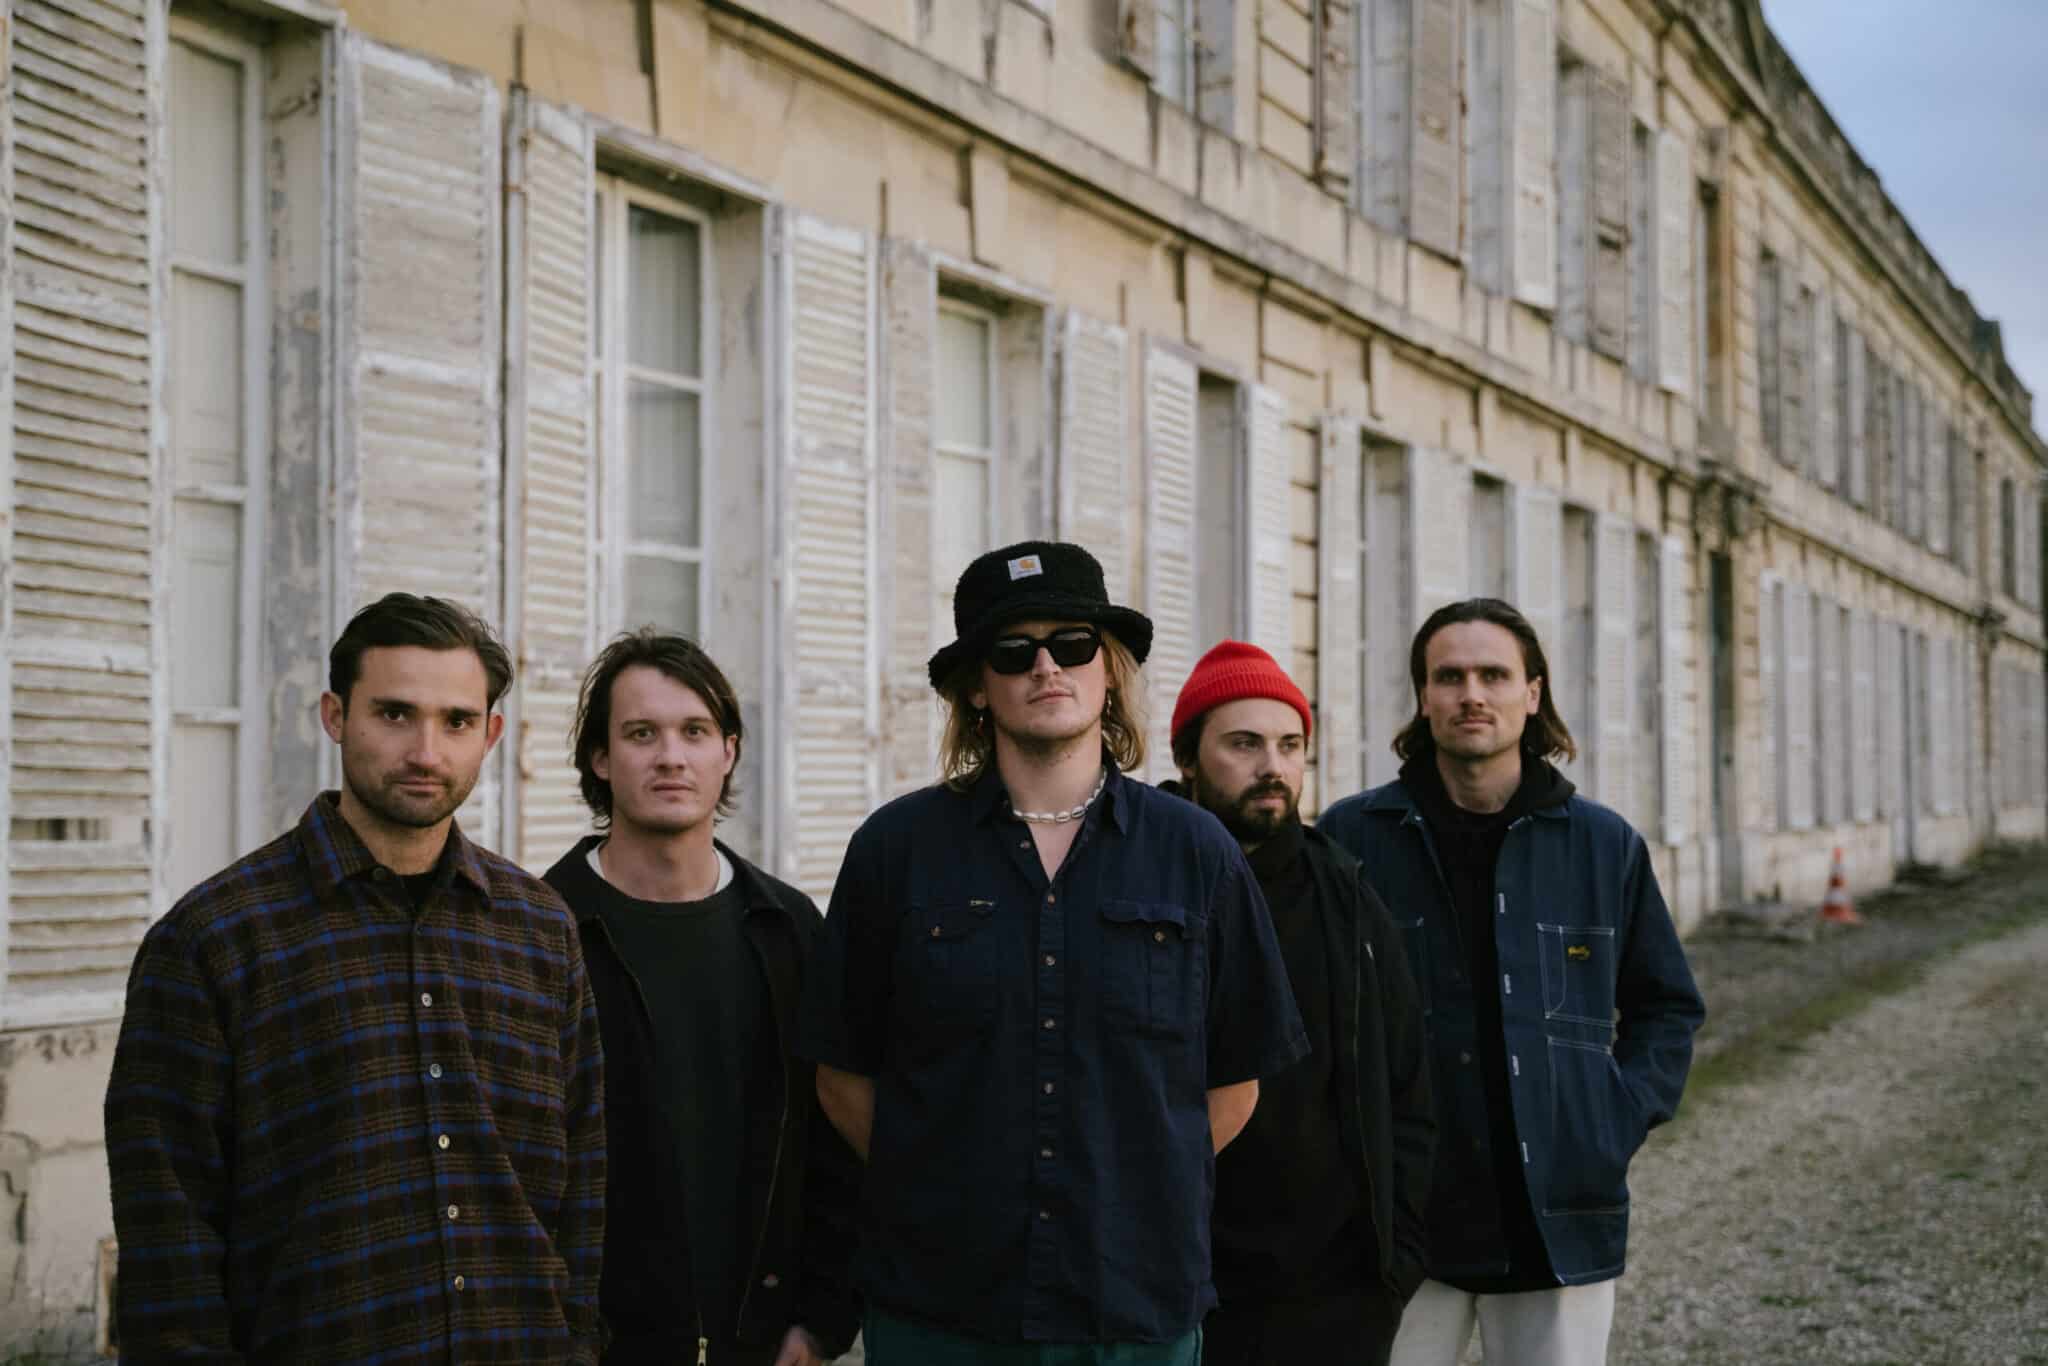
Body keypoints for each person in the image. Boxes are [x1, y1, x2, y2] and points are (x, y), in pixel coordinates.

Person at [800, 541, 1307, 1365]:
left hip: (1134, 1304)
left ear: (1107, 672)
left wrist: (1126, 1181)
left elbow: (1236, 1079)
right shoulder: (896, 850)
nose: (1046, 667)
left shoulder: (1196, 852)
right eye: (1013, 651)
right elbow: (842, 1075)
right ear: (976, 683)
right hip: (941, 1305)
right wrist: (944, 1180)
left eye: (1072, 646)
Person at [105, 593, 605, 1363]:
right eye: (395, 713)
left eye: (457, 722)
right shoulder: (215, 941)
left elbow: (582, 1180)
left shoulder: (540, 930)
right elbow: (167, 1231)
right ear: (336, 716)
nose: (427, 752)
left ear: (492, 734)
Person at [1319, 598, 1705, 1366]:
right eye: (1450, 676)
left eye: (1494, 675)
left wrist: (1610, 1120)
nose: (1472, 694)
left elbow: (1667, 1007)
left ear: (1533, 694)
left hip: (1556, 1215)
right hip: (1400, 1223)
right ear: (1423, 697)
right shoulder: (1351, 839)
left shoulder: (1602, 845)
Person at [542, 630, 859, 1365]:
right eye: (640, 733)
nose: (670, 757)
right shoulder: (538, 928)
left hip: (767, 1342)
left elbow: (836, 1144)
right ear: (600, 758)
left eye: (694, 731)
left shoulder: (788, 929)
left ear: (729, 751)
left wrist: (821, 1320)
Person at [1164, 641, 1434, 1366]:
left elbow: (1408, 1081)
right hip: (1172, 1285)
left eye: (1291, 745)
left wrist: (1393, 1262)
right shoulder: (1139, 876)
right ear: (1189, 758)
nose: (1273, 767)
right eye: (1243, 744)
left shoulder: (1345, 895)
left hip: (1333, 1297)